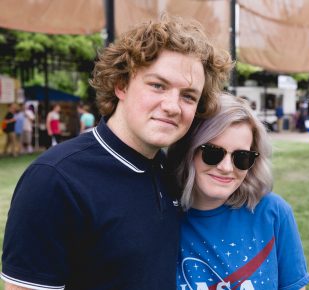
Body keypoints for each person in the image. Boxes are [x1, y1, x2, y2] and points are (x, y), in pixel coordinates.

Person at [1, 14, 232, 290]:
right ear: (121, 85)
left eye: (188, 96)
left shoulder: (172, 173)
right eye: (158, 85)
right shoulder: (55, 180)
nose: (173, 106)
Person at [167, 94, 309, 290]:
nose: (226, 167)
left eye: (241, 157)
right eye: (212, 153)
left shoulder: (273, 213)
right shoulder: (160, 214)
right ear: (188, 151)